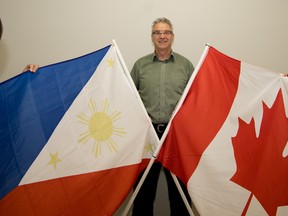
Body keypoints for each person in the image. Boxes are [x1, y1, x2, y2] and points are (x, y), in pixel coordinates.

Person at [130, 17, 194, 216]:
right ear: (152, 37)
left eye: (166, 32)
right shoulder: (140, 66)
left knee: (180, 194)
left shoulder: (186, 65)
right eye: (158, 32)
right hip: (147, 136)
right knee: (142, 192)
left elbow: (199, 98)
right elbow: (127, 97)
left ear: (172, 37)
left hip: (177, 135)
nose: (162, 36)